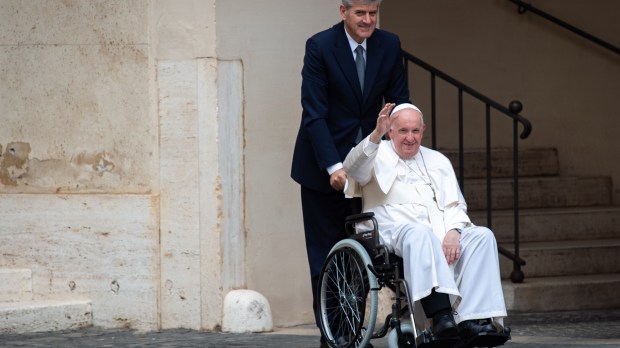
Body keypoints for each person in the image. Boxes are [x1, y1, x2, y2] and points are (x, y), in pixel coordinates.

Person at [290, 1, 410, 344]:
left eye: (373, 13)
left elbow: (400, 104)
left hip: (370, 171)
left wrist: (402, 151)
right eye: (360, 13)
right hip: (322, 169)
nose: (368, 21)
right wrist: (334, 167)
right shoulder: (320, 46)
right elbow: (314, 113)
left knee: (371, 257)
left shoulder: (389, 44)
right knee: (327, 257)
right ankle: (335, 336)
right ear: (343, 11)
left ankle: (360, 332)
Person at [343, 103, 507, 339]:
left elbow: (455, 204)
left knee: (482, 236)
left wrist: (453, 231)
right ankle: (440, 317)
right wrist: (375, 135)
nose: (410, 138)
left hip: (438, 229)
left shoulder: (437, 160)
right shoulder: (376, 152)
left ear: (423, 130)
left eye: (415, 131)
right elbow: (354, 169)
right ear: (391, 130)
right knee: (420, 233)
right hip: (393, 228)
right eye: (403, 131)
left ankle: (473, 319)